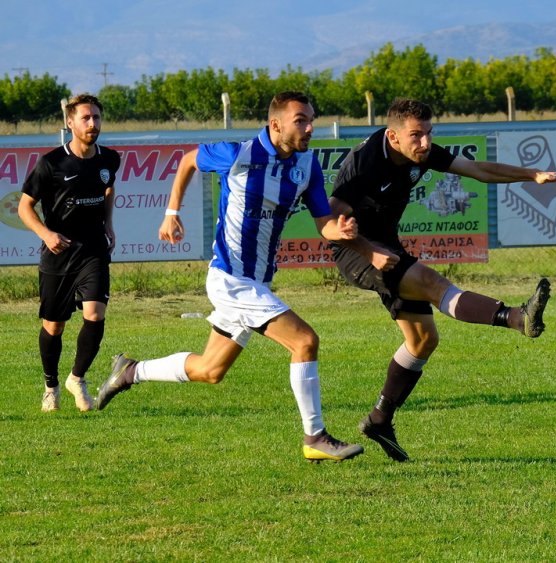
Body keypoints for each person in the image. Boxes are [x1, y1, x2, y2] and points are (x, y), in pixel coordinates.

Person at [94, 92, 364, 463]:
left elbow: (324, 226)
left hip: (256, 283)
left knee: (210, 369)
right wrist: (171, 212)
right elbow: (189, 160)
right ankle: (314, 436)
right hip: (231, 281)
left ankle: (129, 372)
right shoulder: (239, 153)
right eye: (301, 120)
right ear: (276, 125)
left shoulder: (307, 165)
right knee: (304, 341)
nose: (310, 127)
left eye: (311, 119)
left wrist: (341, 231)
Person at [329, 97, 556, 462]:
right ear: (393, 137)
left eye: (428, 134)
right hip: (355, 252)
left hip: (388, 248)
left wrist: (531, 175)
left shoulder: (422, 153)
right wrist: (367, 250)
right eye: (416, 136)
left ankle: (379, 419)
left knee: (423, 340)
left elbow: (478, 170)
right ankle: (517, 318)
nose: (424, 143)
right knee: (431, 282)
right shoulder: (365, 165)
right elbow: (330, 223)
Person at [18, 93, 120, 413]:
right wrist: (46, 234)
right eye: (86, 118)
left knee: (95, 315)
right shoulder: (51, 163)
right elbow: (24, 207)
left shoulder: (109, 159)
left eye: (97, 118)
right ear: (70, 122)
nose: (93, 124)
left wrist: (109, 225)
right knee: (54, 326)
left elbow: (108, 190)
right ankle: (51, 386)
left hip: (93, 250)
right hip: (59, 254)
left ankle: (77, 378)